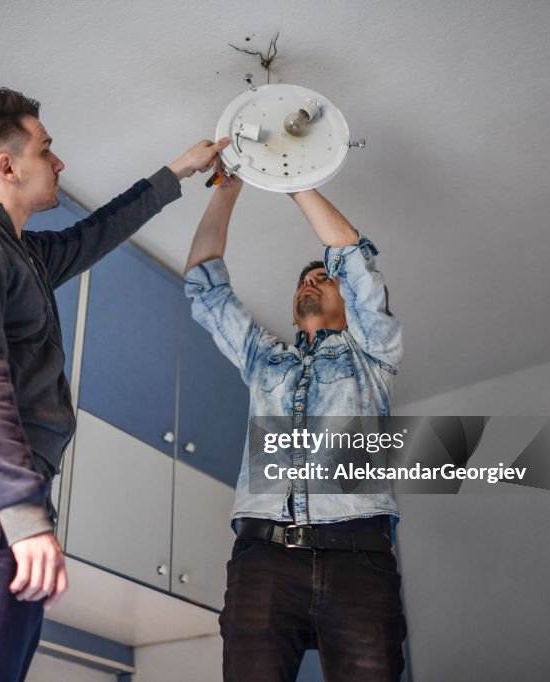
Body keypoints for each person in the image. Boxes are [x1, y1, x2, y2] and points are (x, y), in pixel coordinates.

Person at [0, 87, 227, 682]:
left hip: (8, 488)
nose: (60, 162)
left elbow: (97, 232)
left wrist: (179, 170)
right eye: (47, 149)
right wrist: (20, 508)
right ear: (7, 165)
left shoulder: (25, 256)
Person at [184, 171, 407, 681]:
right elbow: (203, 282)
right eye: (303, 280)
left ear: (351, 305)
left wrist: (287, 172)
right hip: (264, 559)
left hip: (359, 559)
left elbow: (350, 253)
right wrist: (229, 189)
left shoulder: (373, 354)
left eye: (322, 279)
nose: (309, 281)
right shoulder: (264, 359)